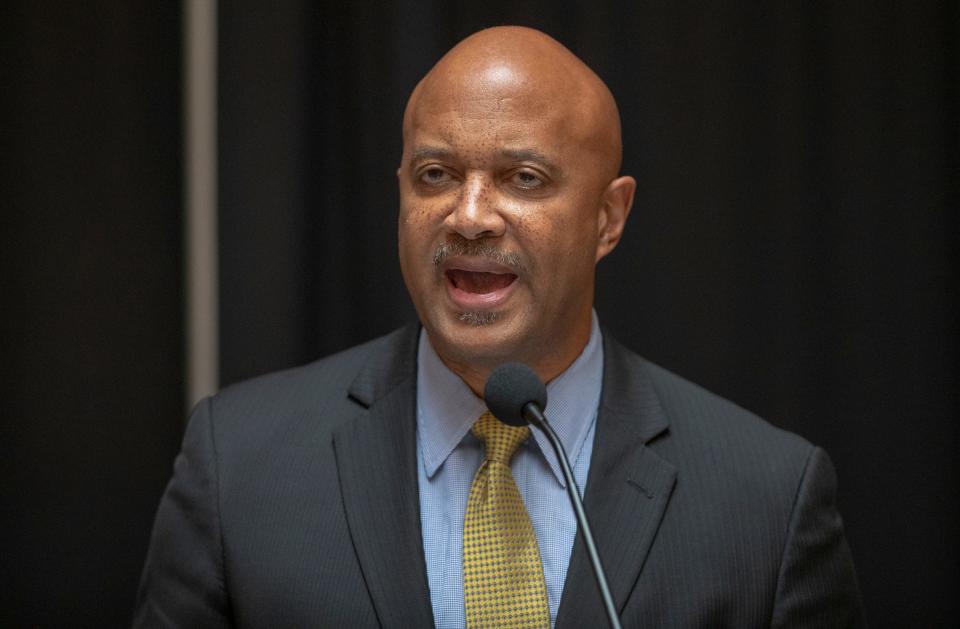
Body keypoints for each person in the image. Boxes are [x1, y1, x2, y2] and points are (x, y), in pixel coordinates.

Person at [135, 26, 865, 628]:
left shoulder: (768, 500)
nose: (470, 215)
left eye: (523, 179)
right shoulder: (237, 465)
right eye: (435, 174)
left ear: (608, 218)